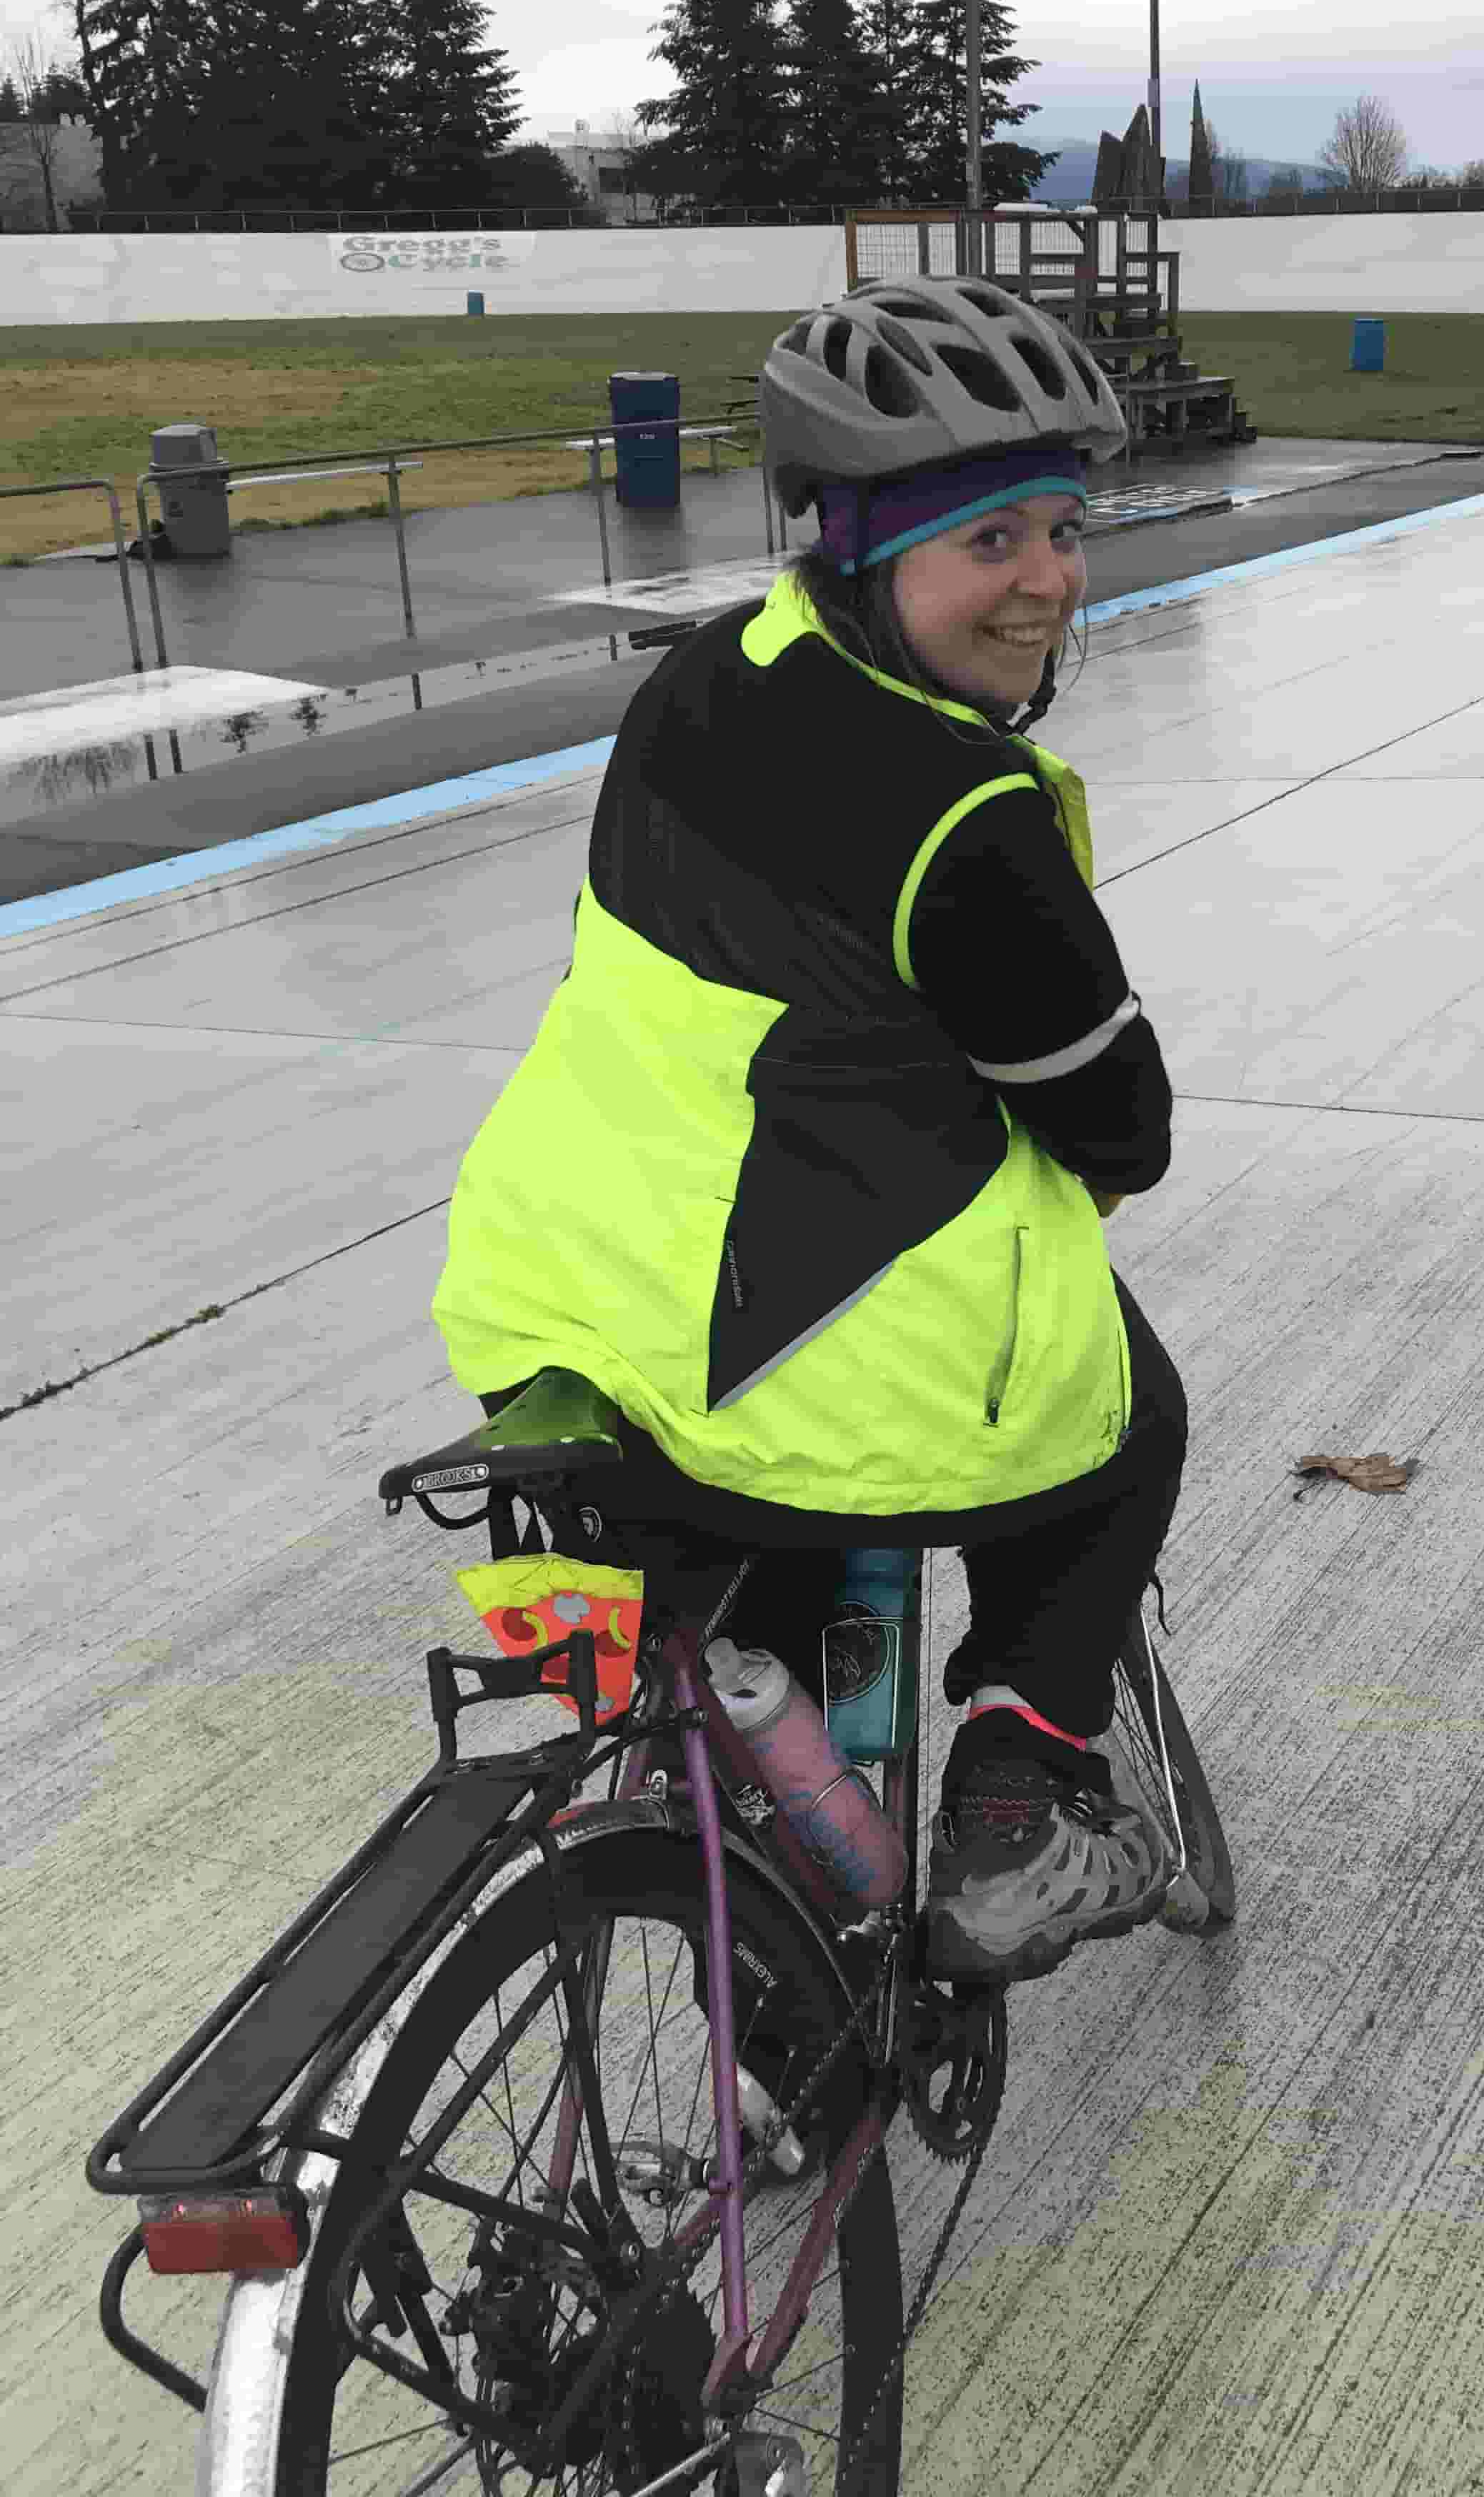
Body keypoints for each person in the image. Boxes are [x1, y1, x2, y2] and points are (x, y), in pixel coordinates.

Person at [430, 271, 1186, 1985]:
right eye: (992, 541)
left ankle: (774, 2015)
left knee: (760, 1614)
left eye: (1066, 529)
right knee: (1129, 1430)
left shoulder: (703, 679)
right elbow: (1113, 1124)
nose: (1053, 579)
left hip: (576, 1293)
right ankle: (1019, 1806)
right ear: (864, 545)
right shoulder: (967, 815)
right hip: (804, 1331)